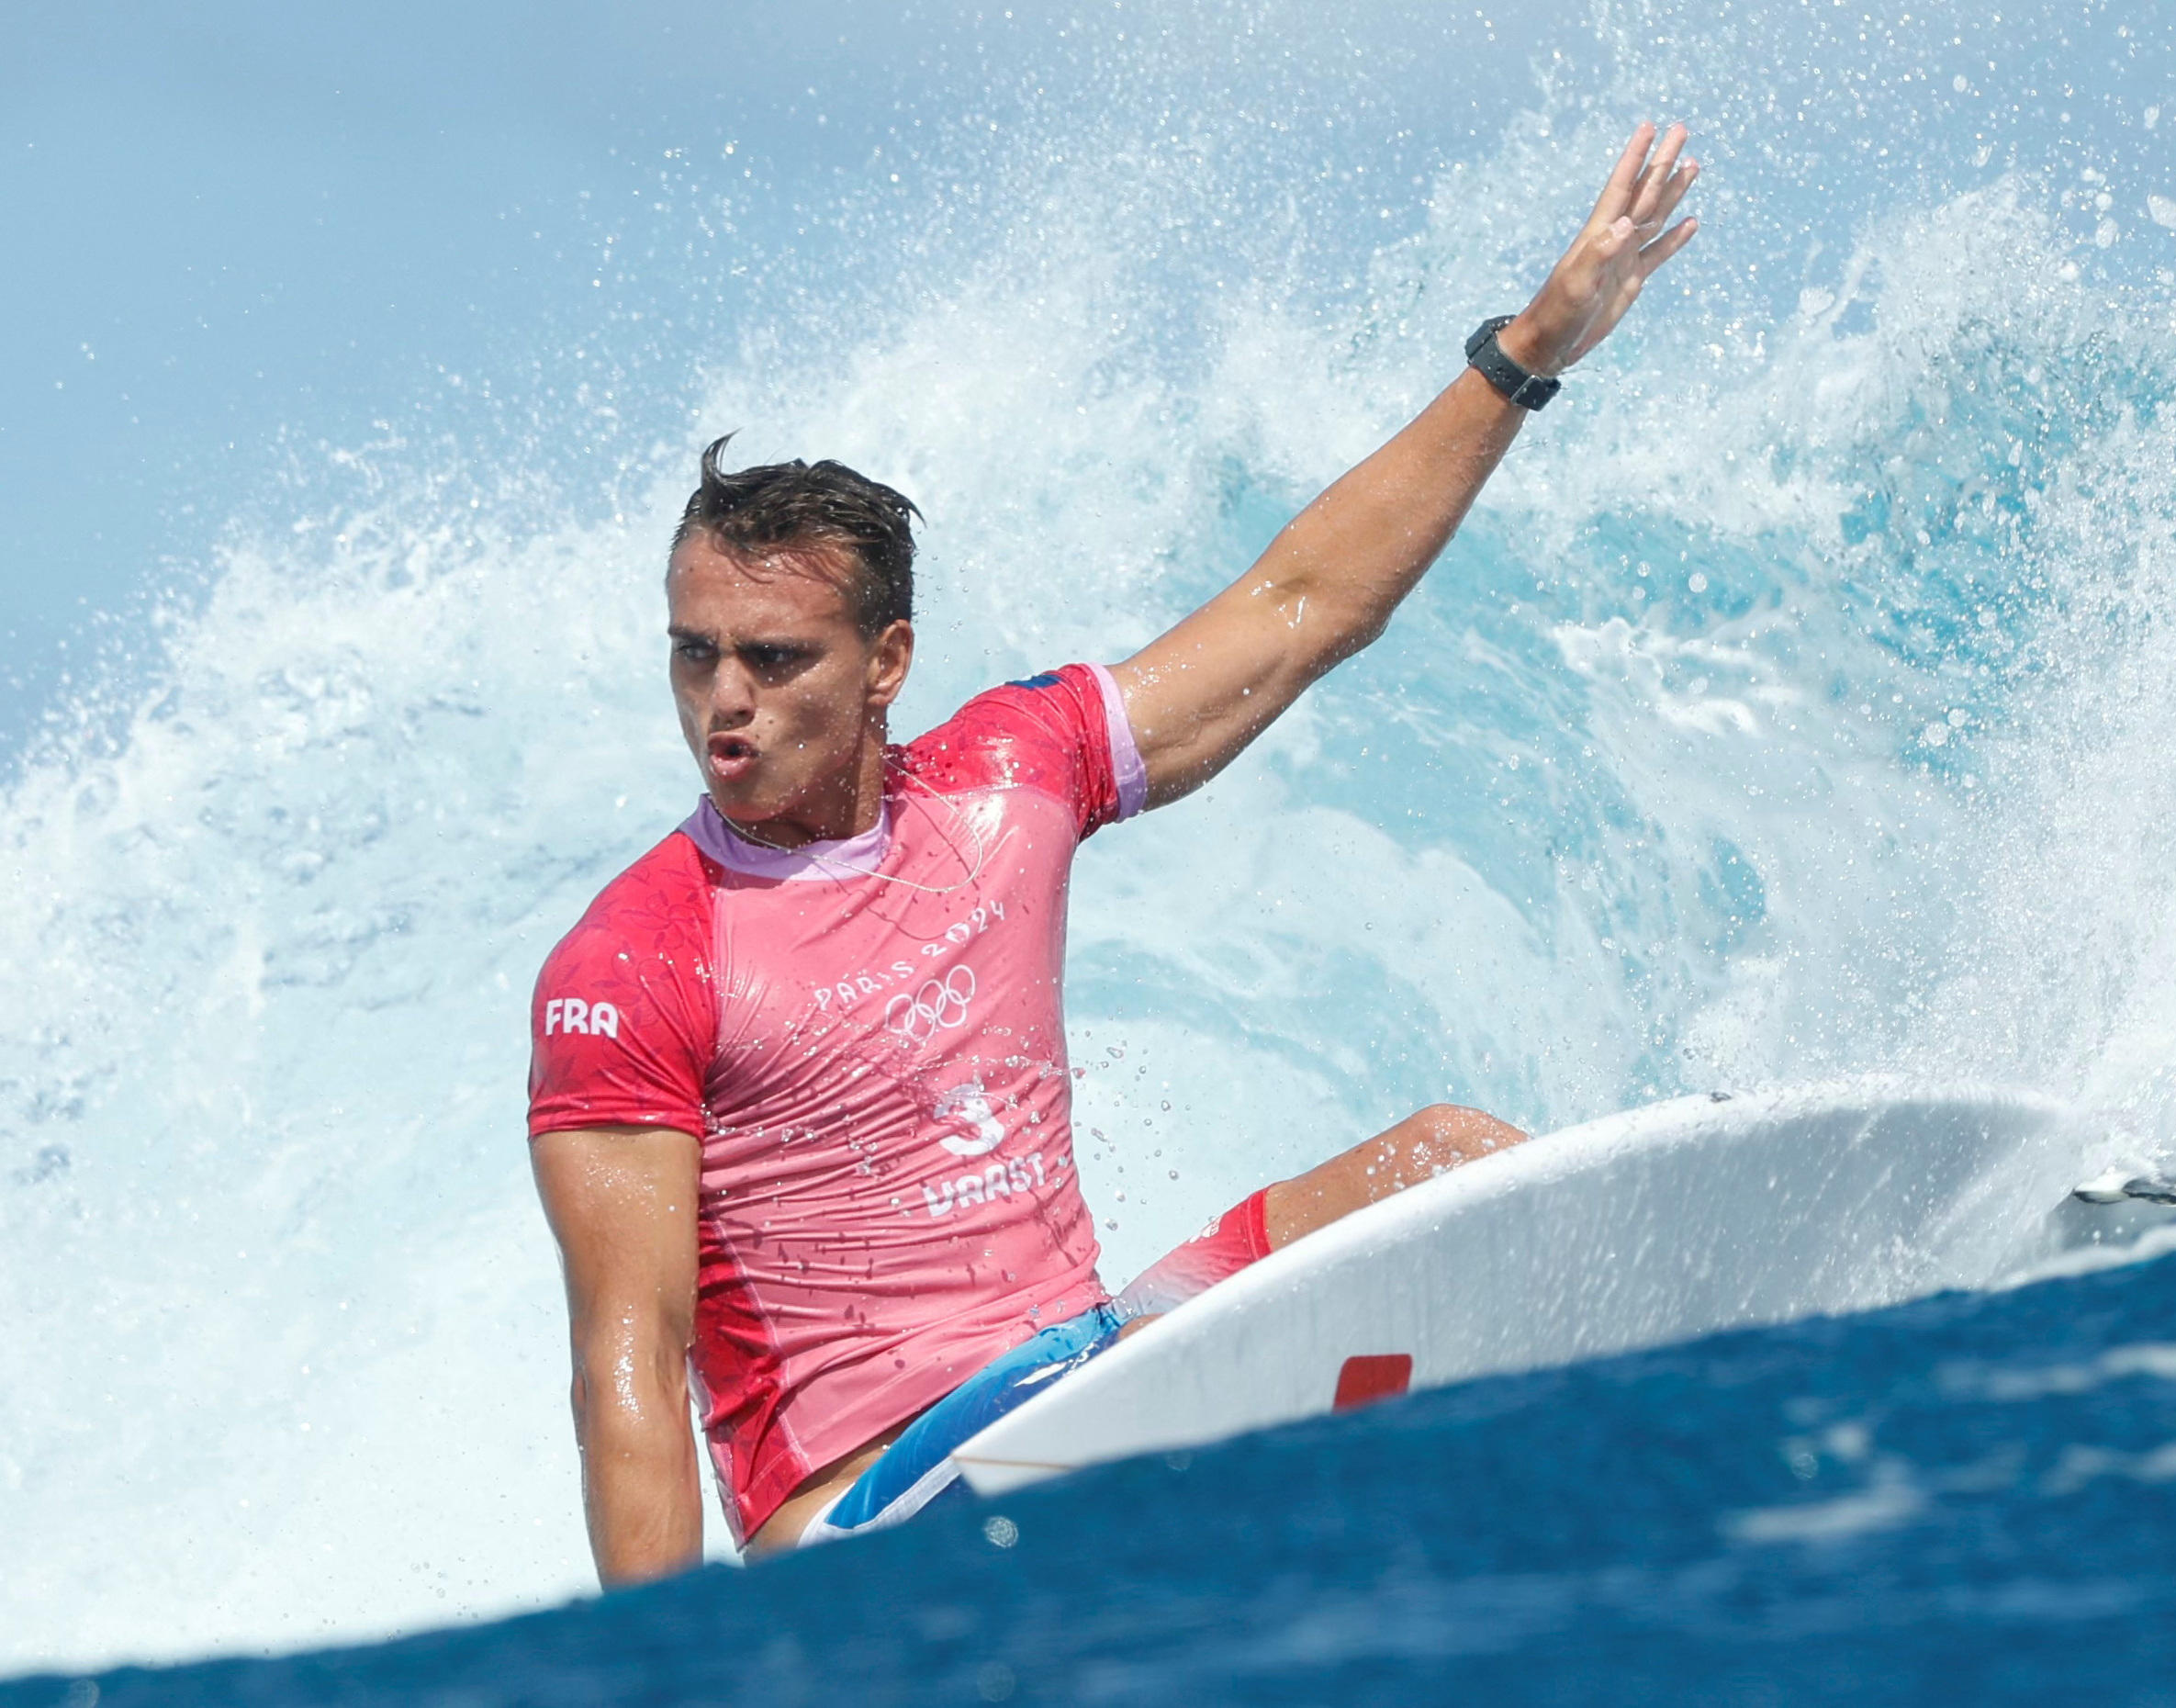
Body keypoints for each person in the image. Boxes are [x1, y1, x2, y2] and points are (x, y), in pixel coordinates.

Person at [527, 122, 1700, 1582]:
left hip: (1093, 1376)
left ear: (887, 660)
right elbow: (623, 1361)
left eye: (773, 659)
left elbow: (1303, 604)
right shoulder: (636, 956)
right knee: (1139, 1427)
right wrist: (679, 1668)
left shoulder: (1008, 777)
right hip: (869, 1504)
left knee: (1455, 1167)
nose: (724, 701)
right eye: (694, 655)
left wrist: (1528, 351)